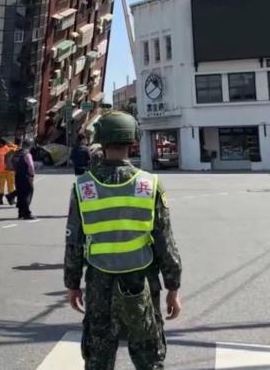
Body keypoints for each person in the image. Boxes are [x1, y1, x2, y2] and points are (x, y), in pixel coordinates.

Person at [64, 111, 183, 369]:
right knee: (149, 357)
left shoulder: (83, 187)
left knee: (98, 358)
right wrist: (173, 288)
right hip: (141, 282)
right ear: (133, 141)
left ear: (101, 141)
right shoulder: (150, 184)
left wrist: (72, 284)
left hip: (99, 285)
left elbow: (74, 242)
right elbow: (165, 241)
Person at [13, 139, 36, 220]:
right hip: (26, 176)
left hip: (17, 176)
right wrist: (31, 175)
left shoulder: (16, 154)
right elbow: (31, 166)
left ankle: (20, 213)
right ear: (29, 145)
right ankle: (27, 213)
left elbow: (12, 163)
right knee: (27, 193)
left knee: (20, 194)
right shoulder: (27, 154)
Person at [0, 138, 17, 206]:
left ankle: (0, 200)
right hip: (10, 170)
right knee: (11, 185)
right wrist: (12, 144)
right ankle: (12, 200)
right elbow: (18, 149)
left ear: (1, 143)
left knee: (0, 186)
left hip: (1, 171)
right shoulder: (10, 149)